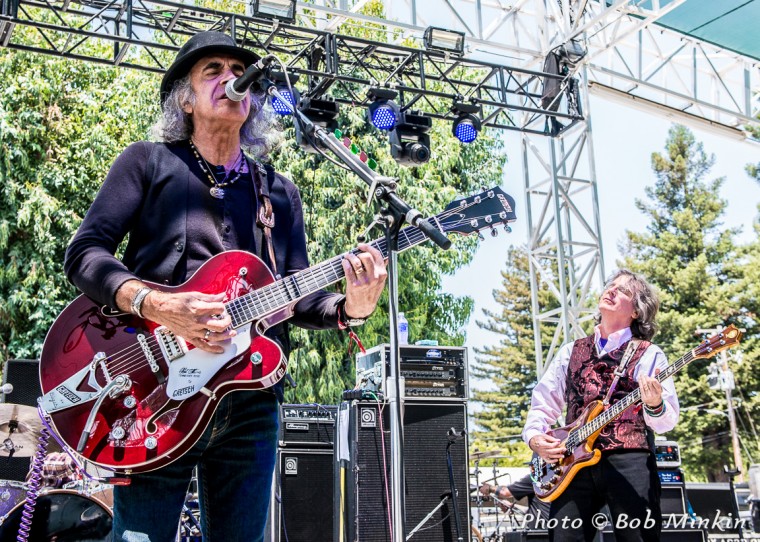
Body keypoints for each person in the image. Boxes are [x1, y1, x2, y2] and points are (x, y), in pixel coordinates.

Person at [63, 31, 386, 542]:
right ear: (185, 99)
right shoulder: (146, 163)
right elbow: (85, 255)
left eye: (238, 72)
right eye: (211, 70)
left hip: (248, 402)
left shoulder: (276, 191)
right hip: (150, 393)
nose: (230, 79)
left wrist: (354, 306)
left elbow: (298, 296)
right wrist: (157, 304)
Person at [522, 269, 679, 542]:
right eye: (611, 286)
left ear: (636, 312)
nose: (612, 291)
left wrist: (654, 403)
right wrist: (535, 437)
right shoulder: (571, 351)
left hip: (630, 460)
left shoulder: (649, 354)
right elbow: (543, 402)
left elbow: (666, 422)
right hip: (570, 465)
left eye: (624, 291)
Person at [480, 473, 551, 520]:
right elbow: (542, 509)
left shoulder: (535, 478)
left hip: (541, 530)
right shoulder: (558, 479)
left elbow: (504, 492)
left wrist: (489, 488)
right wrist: (514, 507)